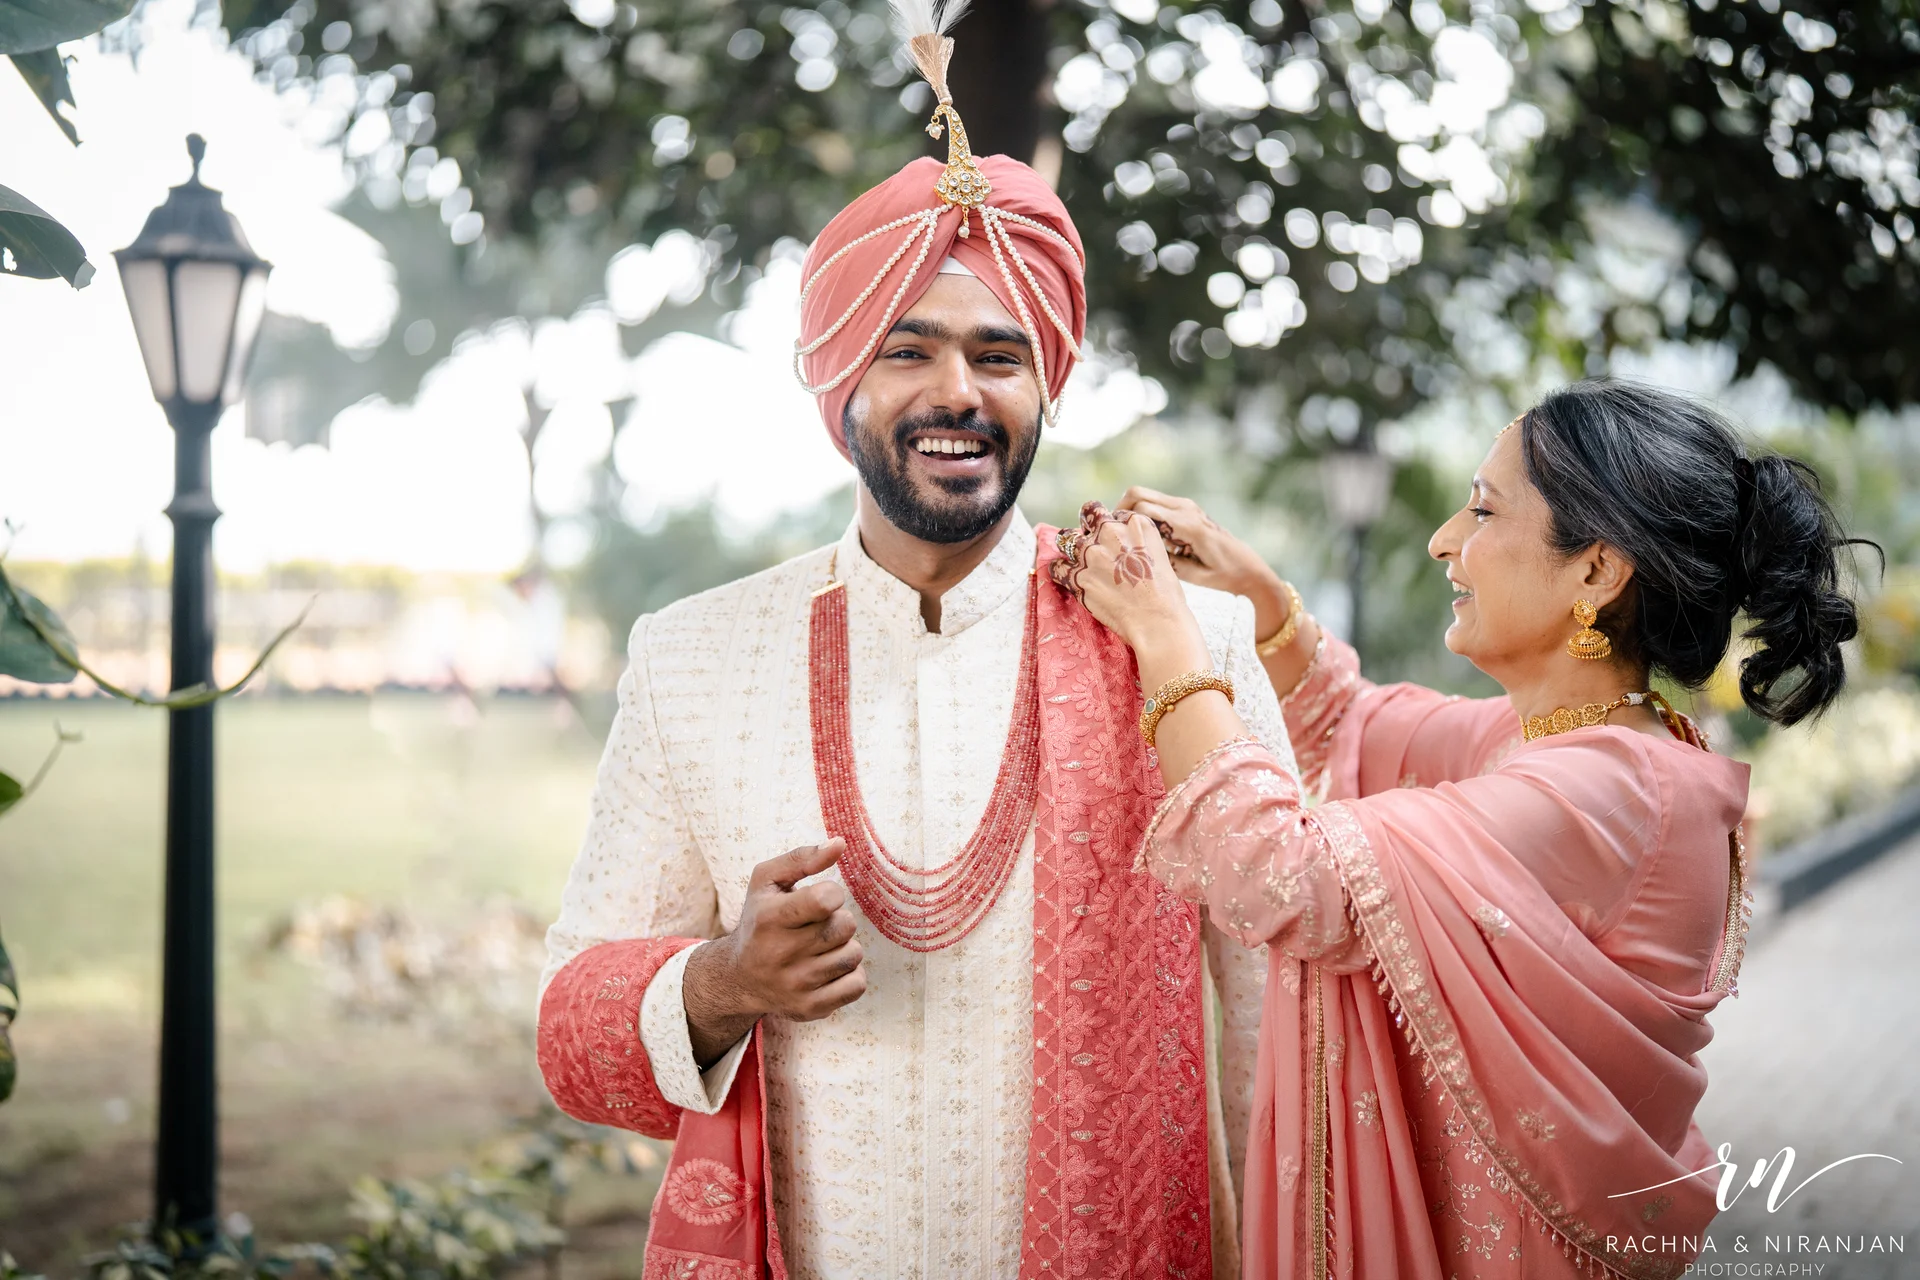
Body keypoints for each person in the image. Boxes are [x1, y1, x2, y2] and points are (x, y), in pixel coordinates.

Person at [533, 10, 1293, 1278]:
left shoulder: (1182, 643)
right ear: (840, 388)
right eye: (910, 350)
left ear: (1045, 384)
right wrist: (722, 978)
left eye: (1001, 355)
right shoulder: (697, 656)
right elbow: (570, 1027)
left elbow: (1283, 1031)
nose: (959, 392)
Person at [1054, 380, 1863, 1279]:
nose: (1444, 538)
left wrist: (1165, 635)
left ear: (1597, 571)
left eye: (1482, 510)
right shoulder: (1582, 744)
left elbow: (1275, 868)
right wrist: (1259, 597)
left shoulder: (1610, 789)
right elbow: (1351, 719)